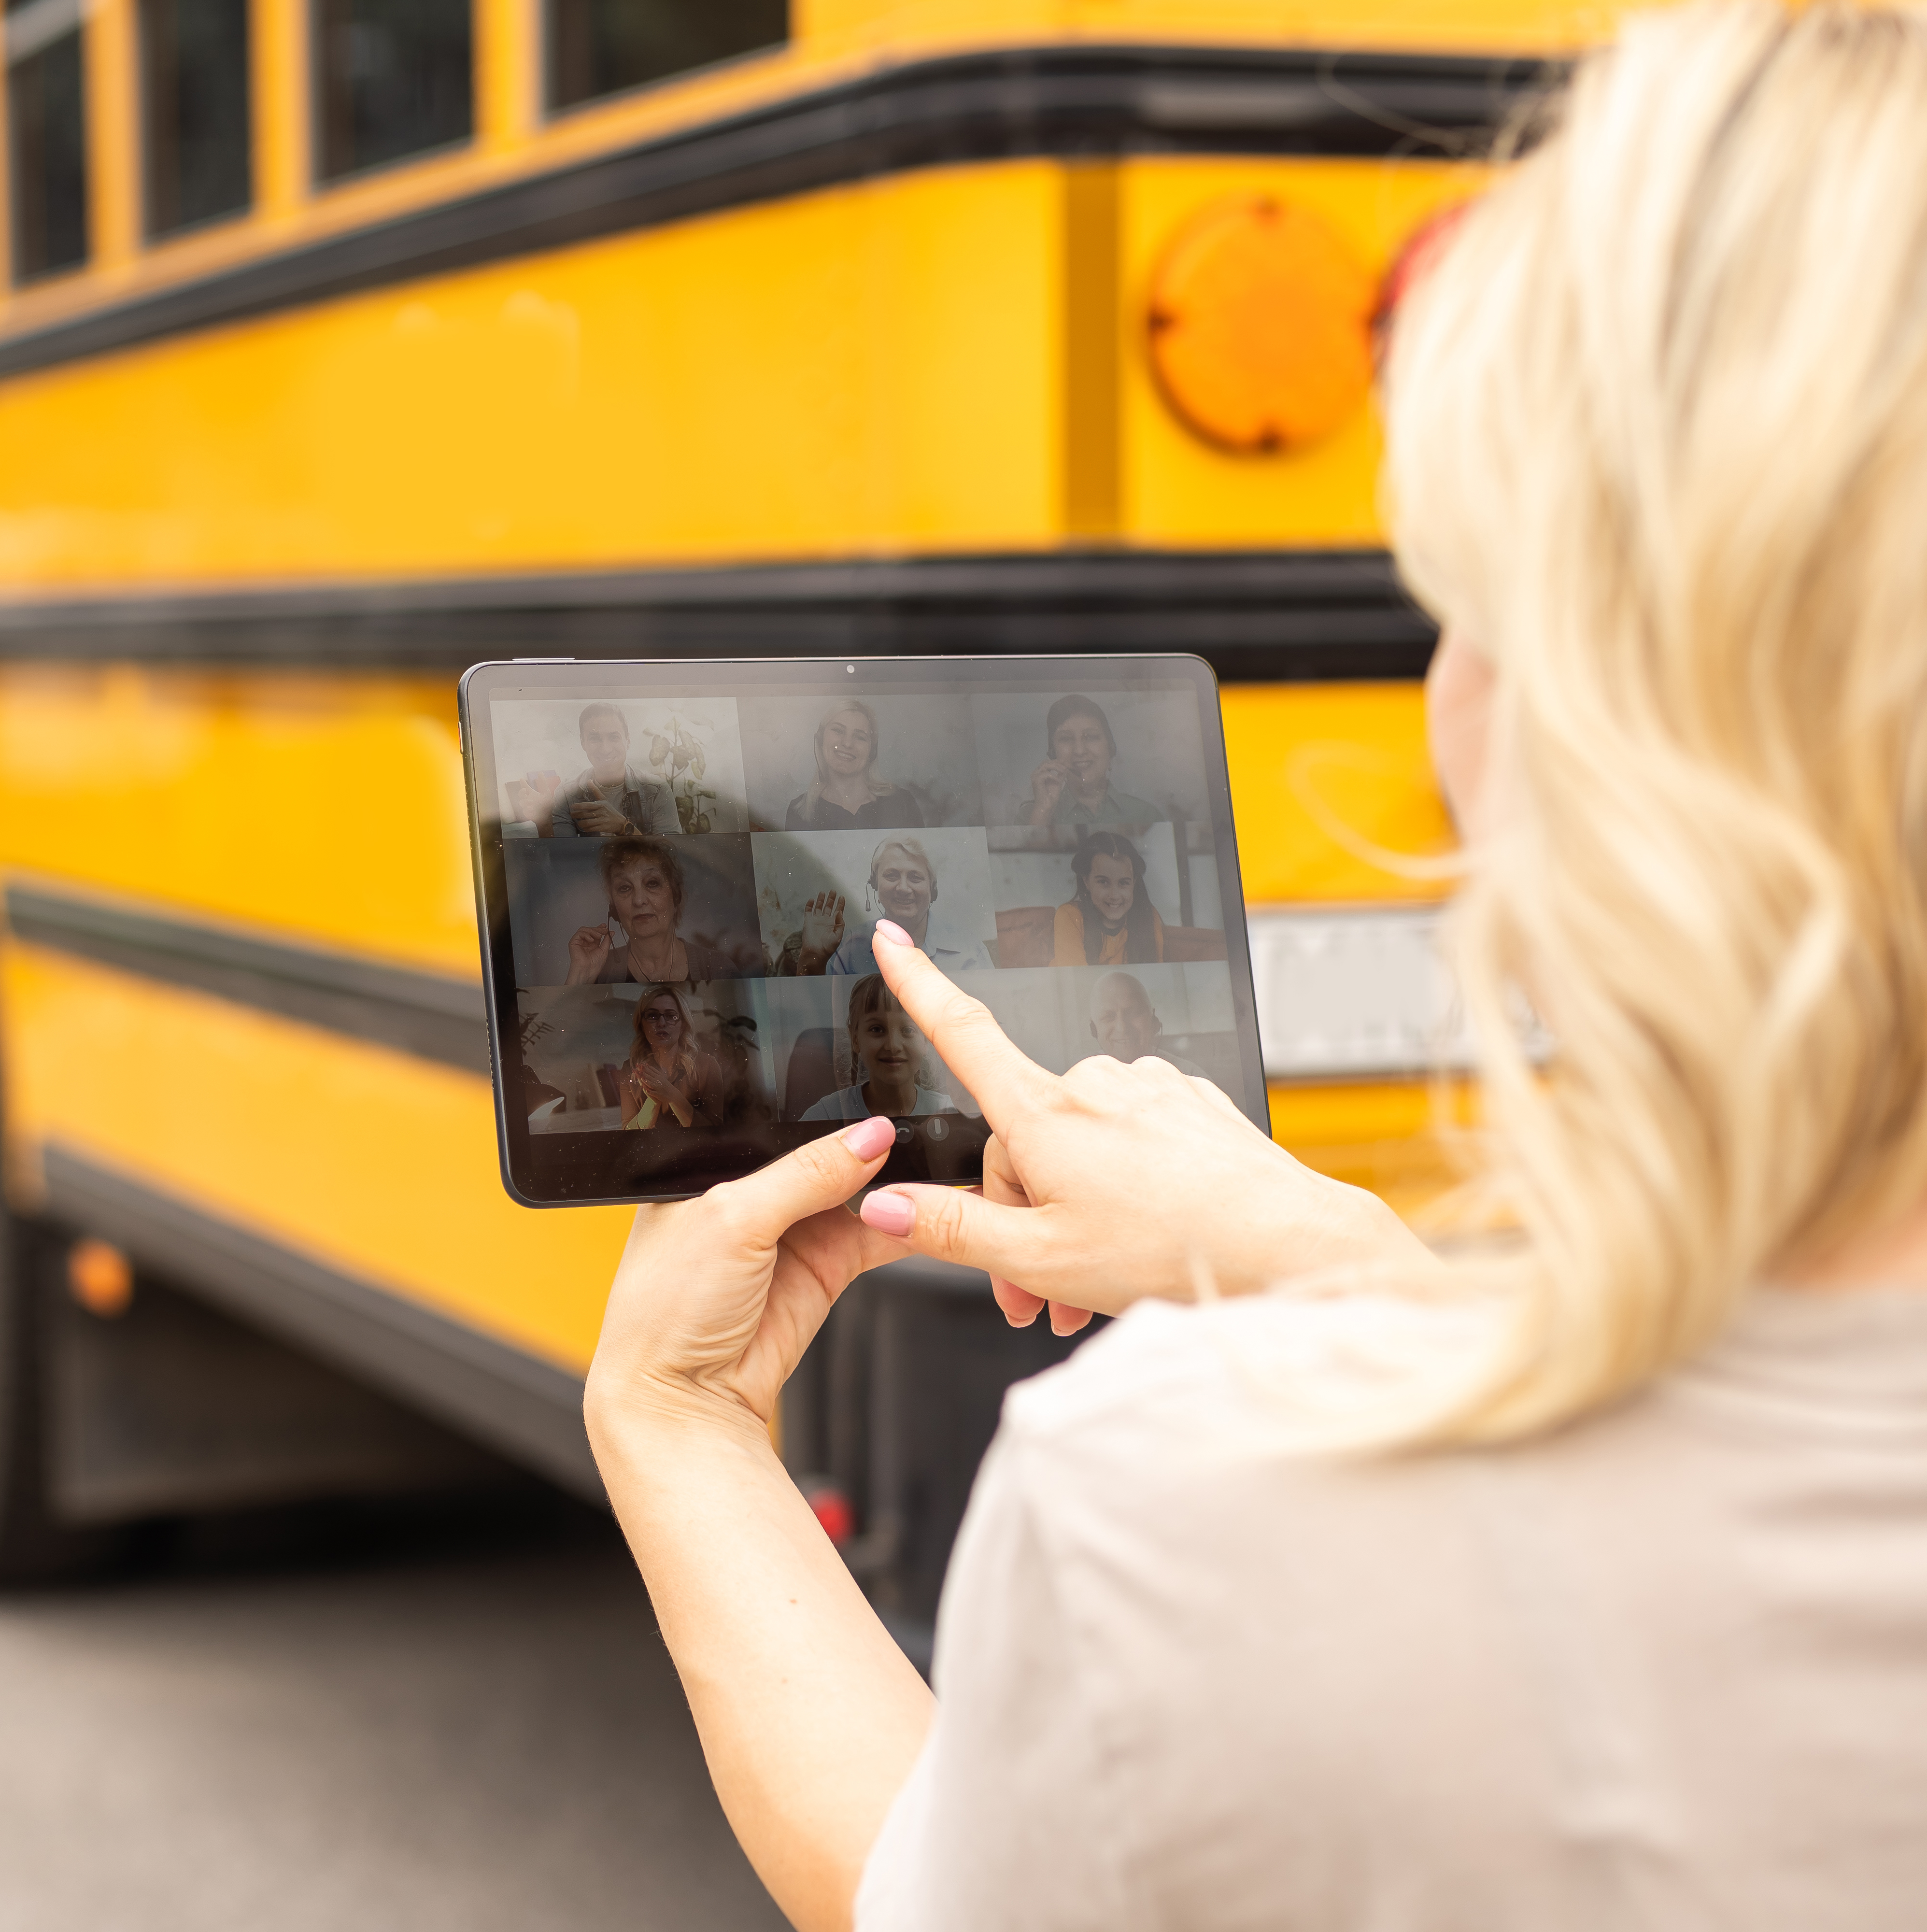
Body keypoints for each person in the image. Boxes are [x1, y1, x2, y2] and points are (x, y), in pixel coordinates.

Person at [574, 11, 1927, 1929]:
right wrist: (1350, 1263)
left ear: (1605, 717)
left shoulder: (1185, 1515)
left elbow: (928, 1891)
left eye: (1459, 611)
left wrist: (680, 1423)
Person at [779, 838, 983, 977]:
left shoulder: (970, 951)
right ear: (875, 885)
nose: (903, 888)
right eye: (892, 876)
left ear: (933, 890)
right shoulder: (851, 949)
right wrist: (813, 957)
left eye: (915, 877)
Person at [563, 838, 749, 984]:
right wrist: (581, 976)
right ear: (614, 908)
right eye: (625, 888)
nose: (639, 901)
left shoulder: (718, 967)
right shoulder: (599, 969)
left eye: (652, 883)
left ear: (676, 895)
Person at [796, 976, 961, 1123]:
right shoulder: (826, 1115)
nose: (893, 1046)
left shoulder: (950, 1111)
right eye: (877, 1029)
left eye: (908, 1030)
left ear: (926, 1041)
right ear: (856, 1040)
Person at [511, 702, 683, 837]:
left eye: (614, 737)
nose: (605, 748)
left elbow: (669, 857)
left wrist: (622, 828)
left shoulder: (658, 790)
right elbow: (561, 860)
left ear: (627, 740)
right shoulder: (566, 794)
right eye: (595, 739)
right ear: (583, 743)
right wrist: (544, 821)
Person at [1019, 694, 1163, 829]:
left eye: (1092, 737)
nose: (1080, 751)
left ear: (1110, 748)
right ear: (1053, 752)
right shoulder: (1030, 816)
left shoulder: (1146, 814)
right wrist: (1044, 811)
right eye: (1067, 739)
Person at [781, 700, 924, 831]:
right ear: (821, 739)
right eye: (838, 731)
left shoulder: (901, 802)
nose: (847, 744)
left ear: (872, 751)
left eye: (860, 737)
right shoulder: (799, 810)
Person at [1049, 829, 1162, 964]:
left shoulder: (1149, 916)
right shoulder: (1070, 916)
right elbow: (1075, 981)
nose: (1114, 896)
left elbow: (1155, 975)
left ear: (1134, 883)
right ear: (1087, 882)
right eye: (1103, 882)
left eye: (1124, 883)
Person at [619, 984, 714, 1129]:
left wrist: (669, 1093)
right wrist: (653, 1101)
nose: (662, 1023)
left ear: (683, 1025)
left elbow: (715, 1133)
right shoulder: (630, 1068)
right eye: (652, 1016)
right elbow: (627, 1132)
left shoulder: (707, 1065)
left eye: (671, 1016)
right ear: (642, 1024)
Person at [1088, 969, 1201, 1076]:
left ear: (1154, 1021)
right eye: (1109, 1017)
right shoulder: (1080, 1079)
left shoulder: (1191, 1076)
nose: (1122, 1028)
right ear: (1094, 1030)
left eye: (1133, 1013)